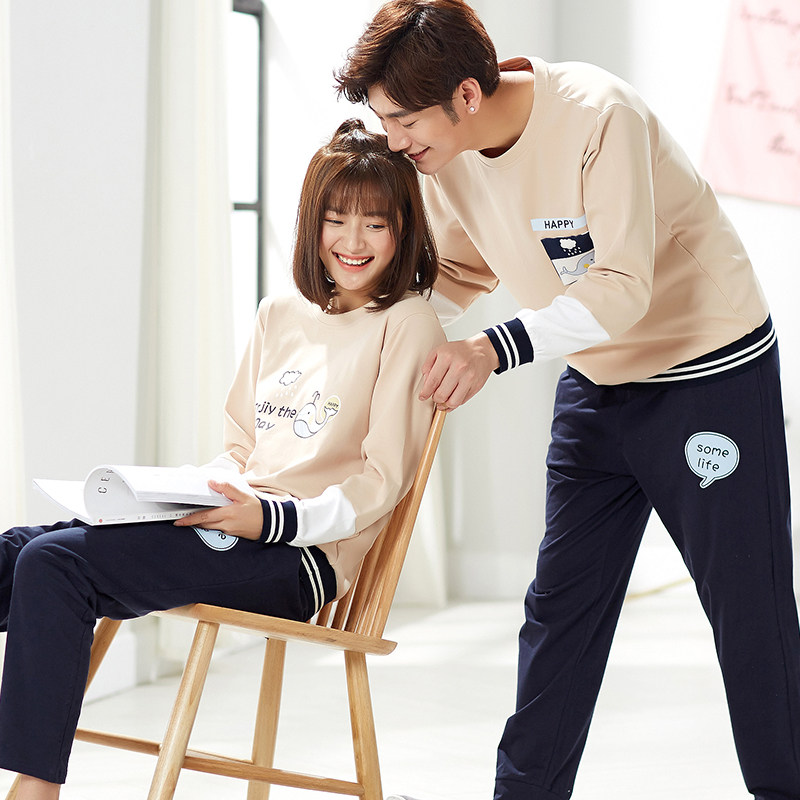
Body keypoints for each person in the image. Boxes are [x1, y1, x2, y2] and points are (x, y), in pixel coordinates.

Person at [335, 2, 800, 799]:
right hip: (597, 385)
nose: (397, 142)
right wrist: (360, 337)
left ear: (467, 96)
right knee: (559, 609)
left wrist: (492, 349)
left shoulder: (598, 116)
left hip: (707, 374)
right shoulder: (446, 159)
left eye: (405, 121)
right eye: (385, 122)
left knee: (747, 608)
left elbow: (620, 288)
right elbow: (459, 271)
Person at [0, 118, 445, 800]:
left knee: (54, 563)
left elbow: (381, 483)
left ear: (403, 228)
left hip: (298, 557)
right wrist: (169, 496)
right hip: (228, 525)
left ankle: (34, 791)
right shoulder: (281, 313)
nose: (353, 242)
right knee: (14, 554)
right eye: (336, 219)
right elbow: (242, 446)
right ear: (312, 223)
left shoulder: (407, 322)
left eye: (375, 224)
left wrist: (268, 518)